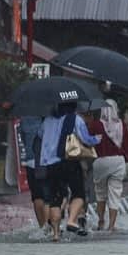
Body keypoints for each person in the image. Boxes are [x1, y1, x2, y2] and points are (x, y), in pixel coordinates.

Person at [38, 102, 101, 241]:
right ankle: (72, 221)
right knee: (79, 194)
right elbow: (86, 139)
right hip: (68, 162)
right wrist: (96, 139)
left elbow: (41, 135)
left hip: (50, 164)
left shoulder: (47, 120)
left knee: (55, 198)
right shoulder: (75, 119)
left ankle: (55, 233)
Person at [87, 99, 128, 231]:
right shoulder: (121, 125)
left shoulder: (96, 125)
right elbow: (127, 146)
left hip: (100, 161)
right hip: (118, 161)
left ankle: (101, 221)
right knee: (115, 194)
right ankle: (111, 226)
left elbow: (89, 142)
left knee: (100, 193)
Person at [18, 116, 48, 231]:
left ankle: (42, 227)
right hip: (45, 161)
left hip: (30, 161)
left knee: (36, 196)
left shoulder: (24, 120)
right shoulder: (46, 118)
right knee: (47, 196)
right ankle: (49, 225)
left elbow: (23, 138)